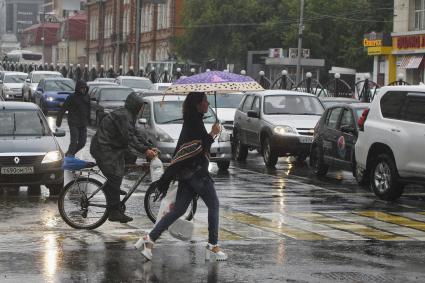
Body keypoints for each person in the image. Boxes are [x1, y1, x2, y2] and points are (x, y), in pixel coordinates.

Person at [138, 92, 227, 261]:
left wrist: (210, 134)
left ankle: (150, 239)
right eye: (205, 101)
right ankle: (212, 245)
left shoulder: (191, 120)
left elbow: (194, 146)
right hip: (197, 174)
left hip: (185, 174)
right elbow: (199, 148)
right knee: (214, 205)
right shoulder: (195, 122)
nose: (208, 104)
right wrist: (212, 134)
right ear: (198, 104)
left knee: (178, 210)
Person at [90, 92, 155, 223]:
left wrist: (148, 145)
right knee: (115, 175)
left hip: (114, 147)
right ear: (135, 105)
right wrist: (145, 150)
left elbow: (135, 132)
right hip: (104, 148)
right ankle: (114, 212)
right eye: (140, 106)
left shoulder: (129, 115)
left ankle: (112, 187)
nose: (141, 109)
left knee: (130, 157)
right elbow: (129, 138)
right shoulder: (124, 116)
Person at [56, 80, 90, 157]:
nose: (83, 90)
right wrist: (59, 120)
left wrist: (89, 119)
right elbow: (63, 109)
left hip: (83, 123)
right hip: (73, 123)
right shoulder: (71, 97)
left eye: (84, 88)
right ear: (78, 88)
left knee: (82, 143)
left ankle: (69, 153)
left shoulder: (87, 97)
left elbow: (89, 109)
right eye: (82, 88)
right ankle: (70, 156)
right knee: (74, 141)